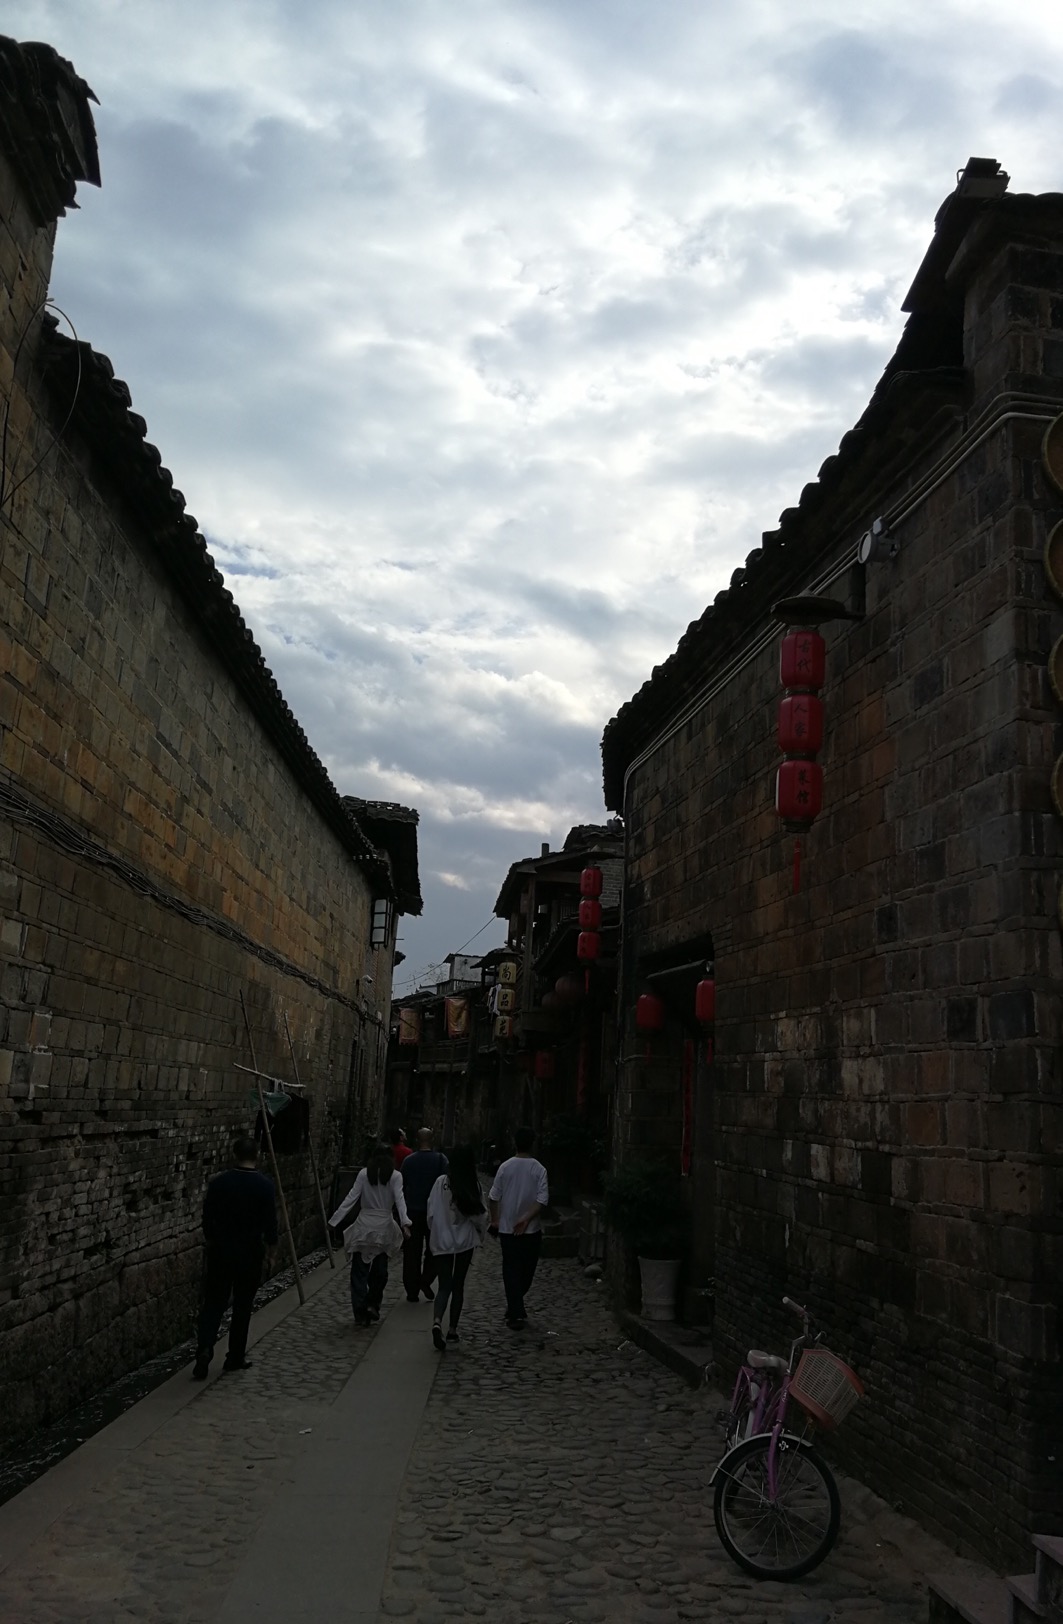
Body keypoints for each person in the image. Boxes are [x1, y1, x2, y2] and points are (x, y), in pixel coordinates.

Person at [192, 1137, 277, 1380]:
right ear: (257, 1155)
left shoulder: (219, 1183)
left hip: (221, 1250)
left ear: (234, 1155)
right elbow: (271, 1224)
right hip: (250, 1252)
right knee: (243, 1305)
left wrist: (211, 1239)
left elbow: (207, 1216)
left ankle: (205, 1347)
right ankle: (235, 1356)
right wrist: (272, 1252)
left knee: (213, 1302)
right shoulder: (265, 1186)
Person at [329, 1143, 410, 1326]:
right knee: (380, 1271)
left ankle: (360, 1309)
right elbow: (400, 1200)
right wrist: (405, 1222)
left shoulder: (364, 1174)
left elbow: (351, 1198)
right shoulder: (395, 1176)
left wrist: (334, 1221)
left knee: (359, 1271)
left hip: (364, 1226)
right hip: (384, 1228)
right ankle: (373, 1303)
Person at [426, 1143, 487, 1351]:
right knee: (458, 1285)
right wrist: (481, 1236)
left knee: (444, 1285)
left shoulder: (440, 1183)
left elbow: (431, 1212)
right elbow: (480, 1217)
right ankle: (452, 1329)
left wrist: (434, 1231)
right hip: (464, 1242)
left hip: (442, 1240)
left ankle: (437, 1321)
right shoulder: (473, 1185)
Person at [488, 1127, 549, 1330]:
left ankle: (515, 1304)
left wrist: (495, 1220)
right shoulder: (539, 1169)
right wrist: (527, 1218)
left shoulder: (505, 1167)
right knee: (524, 1271)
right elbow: (542, 1200)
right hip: (527, 1230)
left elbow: (493, 1197)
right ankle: (516, 1311)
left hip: (511, 1228)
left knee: (514, 1271)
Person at [400, 1128, 448, 1302]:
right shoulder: (441, 1160)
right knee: (434, 1249)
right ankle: (426, 1279)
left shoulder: (408, 1161)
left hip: (413, 1211)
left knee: (411, 1252)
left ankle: (412, 1289)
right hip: (434, 1212)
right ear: (432, 1139)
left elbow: (402, 1186)